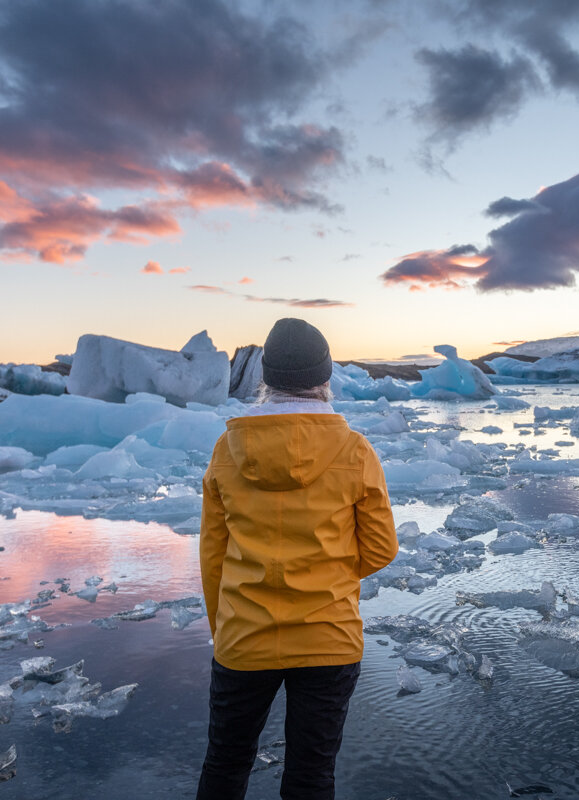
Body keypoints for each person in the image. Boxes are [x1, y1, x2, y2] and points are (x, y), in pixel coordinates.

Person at [196, 318, 398, 800]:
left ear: (267, 378)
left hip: (244, 639)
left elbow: (213, 555)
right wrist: (327, 573)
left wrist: (225, 631)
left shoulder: (228, 450)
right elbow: (381, 546)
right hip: (329, 639)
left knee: (225, 764)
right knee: (311, 776)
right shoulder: (354, 451)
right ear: (324, 377)